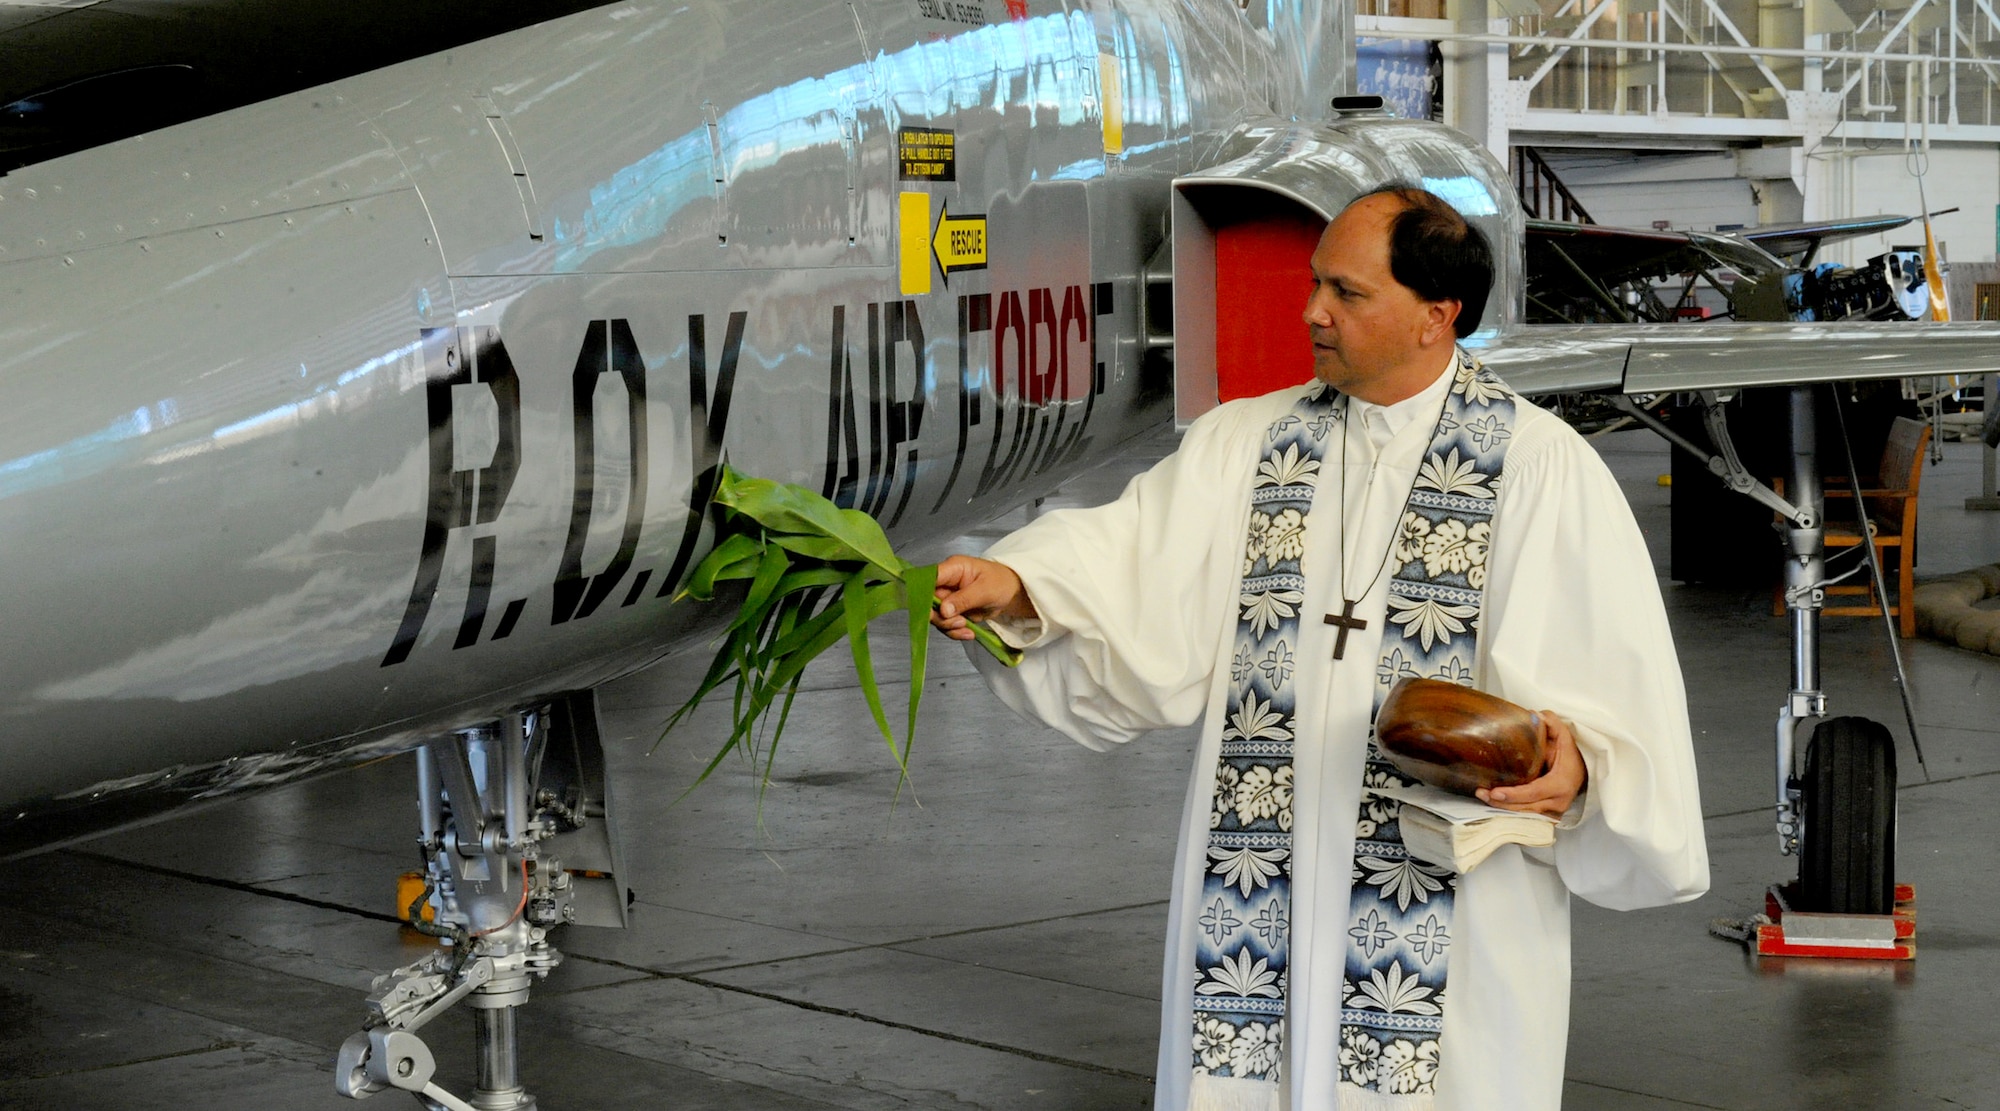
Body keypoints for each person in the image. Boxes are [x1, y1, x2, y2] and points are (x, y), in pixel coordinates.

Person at [930, 186, 1709, 1110]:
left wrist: (1578, 766)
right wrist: (1022, 588)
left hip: (1450, 907)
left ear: (1437, 314)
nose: (1312, 311)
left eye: (1346, 291)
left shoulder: (1540, 468)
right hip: (1259, 886)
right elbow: (1133, 561)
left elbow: (1613, 686)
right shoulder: (1251, 443)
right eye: (1314, 283)